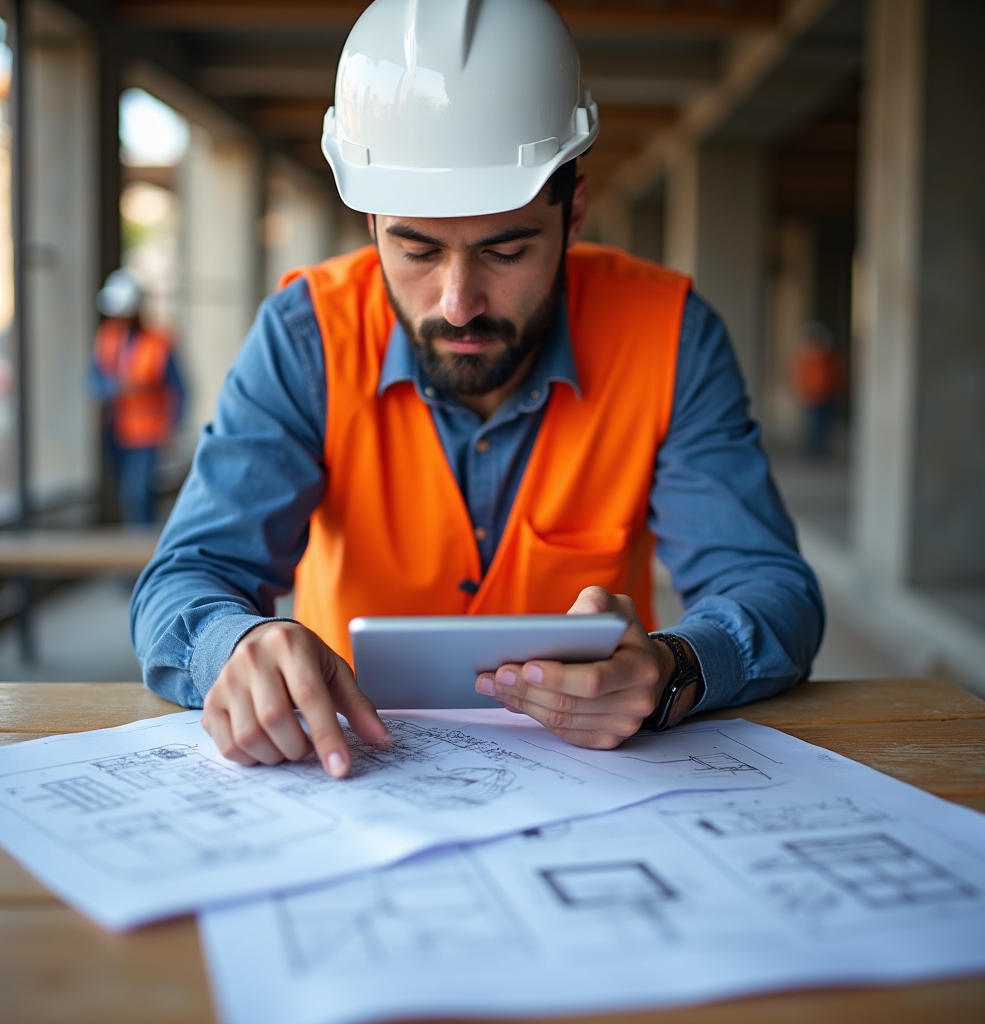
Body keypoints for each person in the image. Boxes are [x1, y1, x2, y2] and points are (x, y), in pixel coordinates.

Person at [131, 0, 824, 778]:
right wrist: (239, 646)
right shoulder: (304, 338)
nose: (458, 304)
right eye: (418, 250)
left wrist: (673, 669)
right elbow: (186, 580)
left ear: (573, 212)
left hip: (597, 782)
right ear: (370, 224)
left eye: (506, 250)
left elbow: (769, 588)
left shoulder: (670, 335)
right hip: (348, 775)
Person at [91, 268, 185, 525]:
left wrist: (174, 426)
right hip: (116, 428)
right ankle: (138, 537)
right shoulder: (108, 337)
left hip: (148, 431)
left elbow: (179, 388)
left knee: (138, 492)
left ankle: (143, 540)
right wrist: (112, 388)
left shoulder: (158, 343)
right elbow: (94, 378)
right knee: (126, 492)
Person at [790, 321, 845, 460]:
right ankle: (812, 450)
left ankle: (821, 450)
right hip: (812, 397)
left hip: (828, 395)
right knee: (812, 424)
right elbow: (800, 377)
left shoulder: (829, 358)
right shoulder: (807, 359)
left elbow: (836, 375)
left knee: (824, 424)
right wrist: (803, 392)